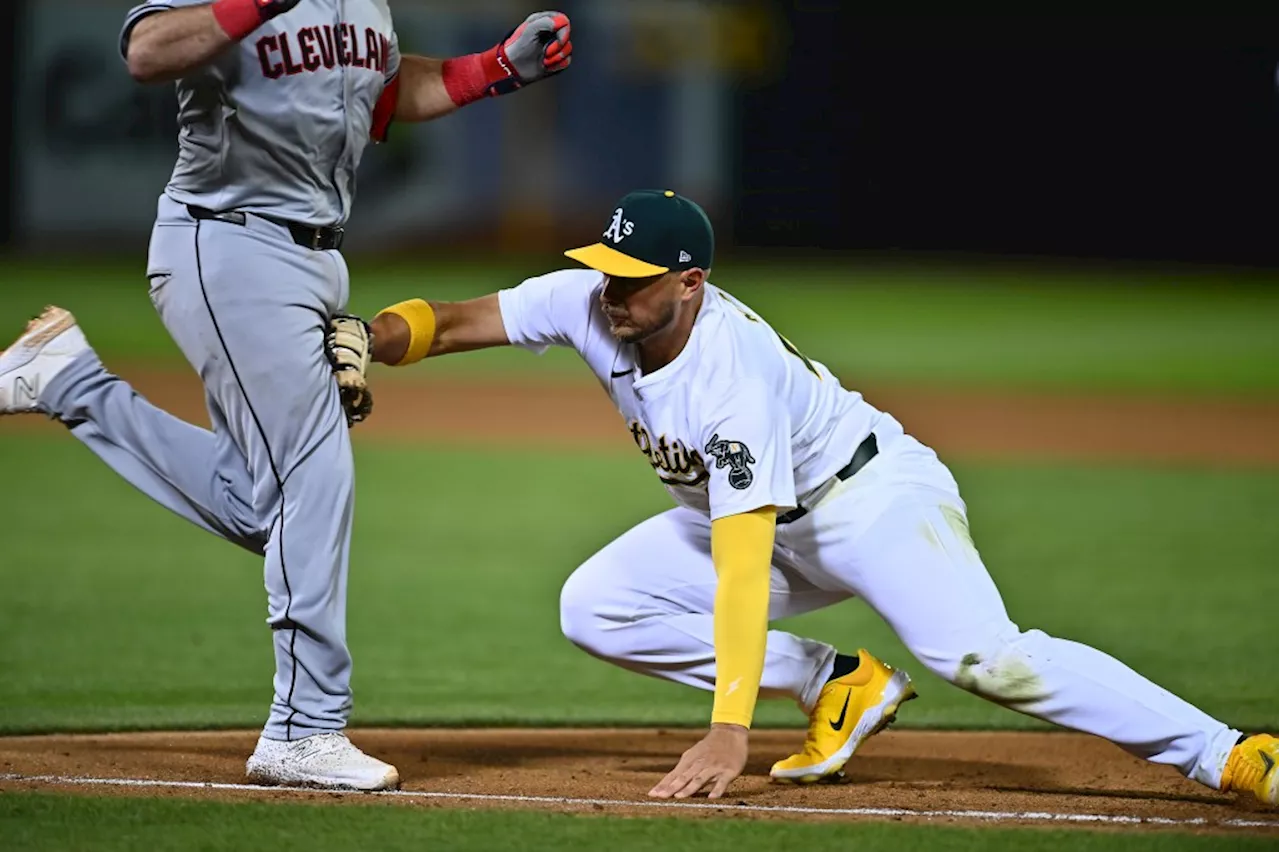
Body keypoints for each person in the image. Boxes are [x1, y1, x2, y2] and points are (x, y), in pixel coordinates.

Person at [331, 188, 1279, 805]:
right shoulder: (589, 299)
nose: (610, 294)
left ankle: (1228, 753)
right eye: (607, 270)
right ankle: (839, 683)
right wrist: (372, 337)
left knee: (986, 658)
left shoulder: (728, 378)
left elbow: (743, 569)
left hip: (868, 503)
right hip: (758, 514)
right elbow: (456, 322)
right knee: (595, 606)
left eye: (634, 280)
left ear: (691, 284)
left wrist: (727, 733)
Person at [0, 0, 573, 791]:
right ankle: (304, 728)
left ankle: (68, 381)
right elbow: (146, 49)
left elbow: (374, 91)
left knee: (260, 500)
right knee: (314, 477)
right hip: (227, 240)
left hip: (312, 259)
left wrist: (494, 68)